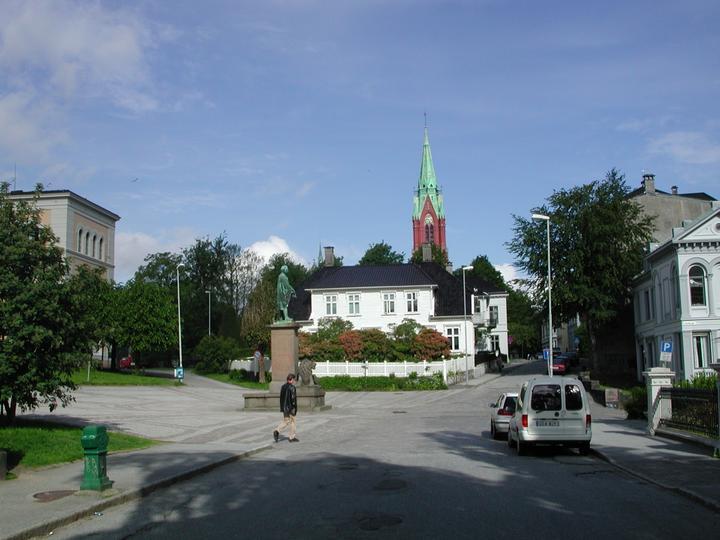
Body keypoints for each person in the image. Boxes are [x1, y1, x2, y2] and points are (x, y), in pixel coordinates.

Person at [273, 373, 298, 443]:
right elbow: (293, 400)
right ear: (292, 379)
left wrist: (282, 407)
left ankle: (277, 430)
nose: (294, 381)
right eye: (294, 379)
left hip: (284, 408)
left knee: (286, 421)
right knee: (293, 422)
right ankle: (291, 437)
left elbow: (281, 398)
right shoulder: (292, 387)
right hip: (291, 408)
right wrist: (294, 408)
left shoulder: (283, 387)